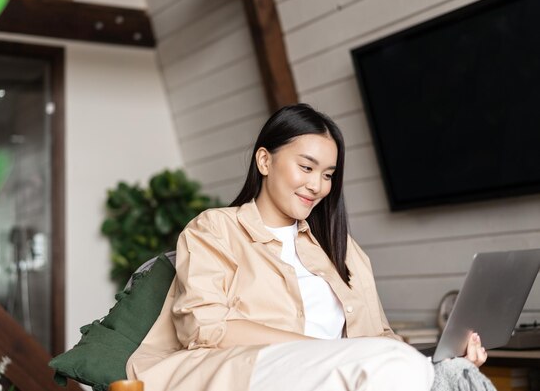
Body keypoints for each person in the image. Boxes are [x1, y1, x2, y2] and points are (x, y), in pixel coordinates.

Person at [125, 103, 488, 391]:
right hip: (240, 372)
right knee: (399, 367)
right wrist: (321, 349)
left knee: (412, 369)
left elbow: (380, 338)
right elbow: (204, 328)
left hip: (332, 375)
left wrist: (436, 363)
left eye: (328, 174)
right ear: (265, 160)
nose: (317, 185)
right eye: (306, 167)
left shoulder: (342, 249)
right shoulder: (215, 228)